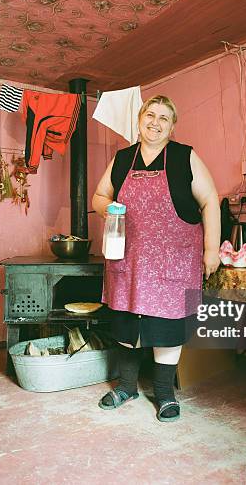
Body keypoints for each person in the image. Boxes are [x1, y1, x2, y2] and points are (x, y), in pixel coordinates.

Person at [92, 95, 220, 422]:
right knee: (126, 326)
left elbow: (210, 201)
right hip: (128, 262)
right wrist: (109, 209)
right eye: (151, 115)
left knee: (167, 330)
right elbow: (99, 196)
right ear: (139, 119)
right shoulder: (122, 159)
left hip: (172, 263)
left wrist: (211, 249)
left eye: (164, 117)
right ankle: (126, 386)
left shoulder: (184, 157)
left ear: (172, 126)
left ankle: (164, 394)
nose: (156, 122)